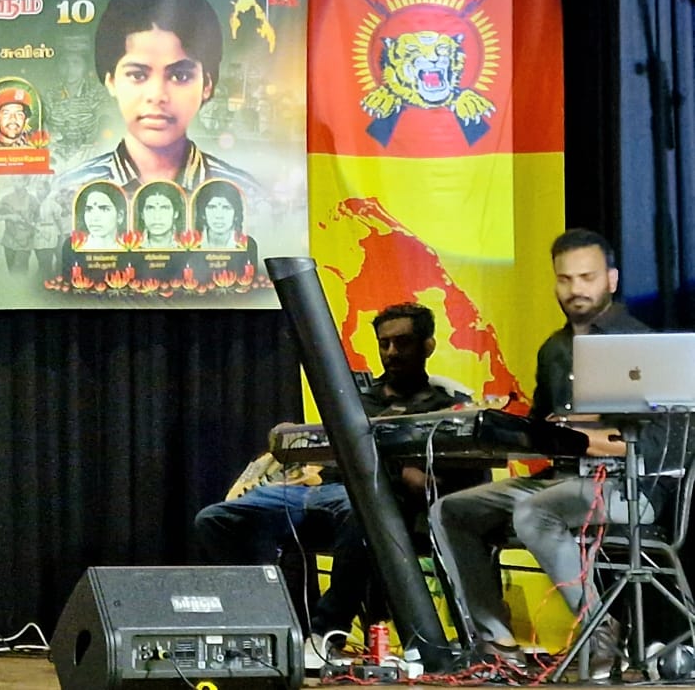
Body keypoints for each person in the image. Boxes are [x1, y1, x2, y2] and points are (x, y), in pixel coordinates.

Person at [430, 229, 674, 674]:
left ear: (611, 279)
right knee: (450, 511)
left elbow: (659, 448)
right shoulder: (553, 350)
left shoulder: (639, 344)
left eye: (587, 277)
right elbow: (540, 430)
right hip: (559, 480)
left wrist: (582, 436)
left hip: (629, 488)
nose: (576, 289)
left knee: (534, 512)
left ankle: (599, 633)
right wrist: (496, 428)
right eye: (565, 279)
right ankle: (496, 644)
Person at [192, 303, 472, 667]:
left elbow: (435, 485)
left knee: (362, 510)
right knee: (216, 520)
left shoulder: (447, 408)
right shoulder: (355, 400)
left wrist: (393, 468)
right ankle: (267, 626)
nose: (391, 352)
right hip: (317, 492)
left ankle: (326, 633)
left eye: (402, 342)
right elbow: (320, 450)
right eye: (384, 343)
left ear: (427, 345)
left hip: (377, 506)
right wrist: (293, 438)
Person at [62, 0, 259, 197]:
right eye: (138, 75)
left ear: (207, 84)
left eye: (180, 76)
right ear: (111, 81)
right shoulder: (70, 191)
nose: (157, 95)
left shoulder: (244, 193)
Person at [194, 180, 247, 250]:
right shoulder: (192, 242)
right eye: (212, 207)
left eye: (226, 208)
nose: (219, 216)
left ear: (236, 214)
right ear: (203, 213)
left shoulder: (245, 243)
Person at [75, 181, 126, 250]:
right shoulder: (77, 248)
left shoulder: (129, 249)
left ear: (120, 216)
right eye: (89, 209)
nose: (94, 218)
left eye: (104, 209)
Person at [134, 181, 186, 249]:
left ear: (176, 213)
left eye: (164, 208)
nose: (157, 217)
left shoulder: (186, 245)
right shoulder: (132, 245)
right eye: (150, 208)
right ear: (142, 215)